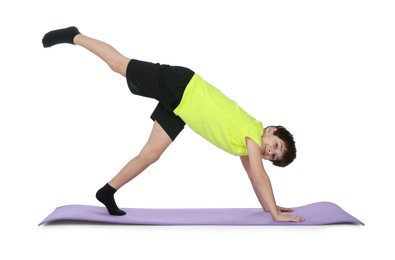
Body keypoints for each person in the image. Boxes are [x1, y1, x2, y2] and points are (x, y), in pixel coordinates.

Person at [42, 26, 304, 222]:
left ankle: (107, 192)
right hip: (181, 86)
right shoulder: (252, 131)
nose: (269, 152)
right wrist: (276, 216)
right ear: (270, 130)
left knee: (150, 154)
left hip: (181, 109)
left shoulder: (246, 148)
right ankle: (75, 36)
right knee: (118, 64)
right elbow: (260, 176)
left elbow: (253, 176)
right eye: (275, 145)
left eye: (273, 157)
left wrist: (270, 208)